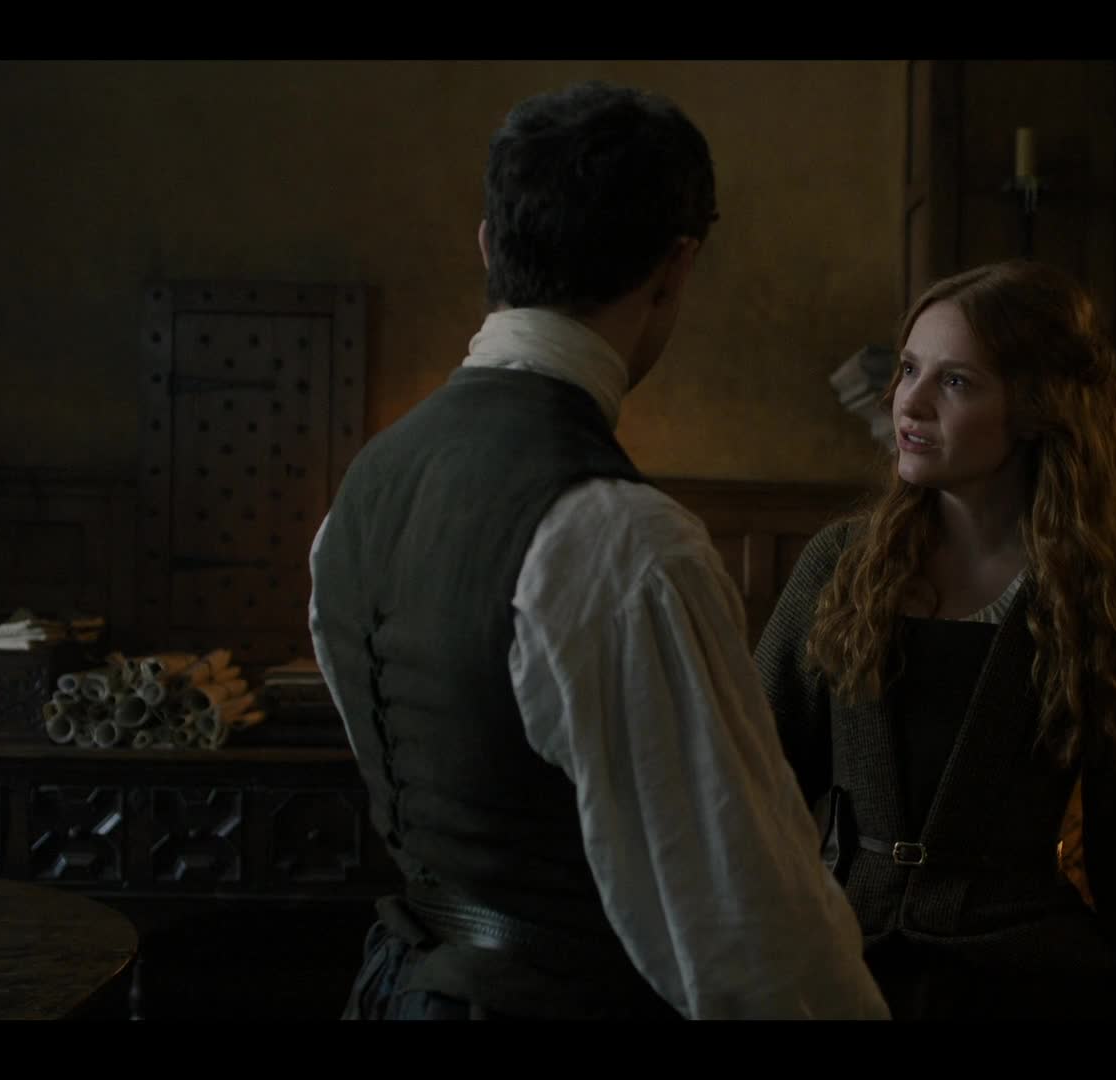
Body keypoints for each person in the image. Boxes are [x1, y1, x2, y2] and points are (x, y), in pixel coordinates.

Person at [308, 80, 888, 1021]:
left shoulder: (362, 492)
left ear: (488, 246)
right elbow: (747, 932)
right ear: (677, 268)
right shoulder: (625, 542)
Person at [755, 258, 1116, 1019]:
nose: (909, 402)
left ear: (1037, 408)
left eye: (956, 381)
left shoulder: (1108, 597)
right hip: (841, 962)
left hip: (1024, 976)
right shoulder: (841, 567)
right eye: (909, 369)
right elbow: (750, 771)